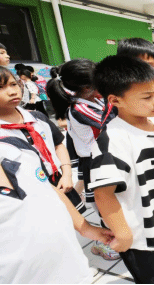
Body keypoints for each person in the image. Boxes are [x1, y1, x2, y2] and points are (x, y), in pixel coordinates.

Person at [0, 67, 114, 283]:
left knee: (65, 221)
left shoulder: (35, 117)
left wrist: (67, 172)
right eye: (1, 88)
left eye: (13, 84)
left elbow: (58, 143)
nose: (12, 91)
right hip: (22, 257)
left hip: (53, 179)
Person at [90, 56, 154, 284]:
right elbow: (103, 193)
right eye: (147, 96)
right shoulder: (114, 139)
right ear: (115, 100)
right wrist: (122, 233)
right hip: (139, 235)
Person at [46, 59, 120, 261]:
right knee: (105, 204)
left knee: (116, 200)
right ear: (86, 87)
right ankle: (103, 243)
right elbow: (108, 120)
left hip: (106, 156)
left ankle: (115, 234)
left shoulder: (94, 100)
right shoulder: (78, 109)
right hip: (95, 163)